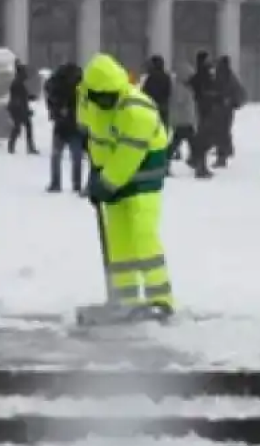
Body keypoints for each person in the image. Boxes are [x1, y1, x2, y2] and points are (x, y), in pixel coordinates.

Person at [79, 54, 173, 317]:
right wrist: (96, 171)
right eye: (100, 96)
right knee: (118, 240)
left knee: (143, 235)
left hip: (144, 177)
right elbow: (98, 140)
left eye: (110, 96)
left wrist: (105, 182)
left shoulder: (137, 110)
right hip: (113, 176)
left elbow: (128, 155)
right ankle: (125, 298)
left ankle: (160, 300)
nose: (105, 102)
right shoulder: (90, 102)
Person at [43, 60, 85, 194]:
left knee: (57, 155)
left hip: (62, 125)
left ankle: (56, 183)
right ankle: (76, 184)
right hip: (75, 125)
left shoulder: (56, 85)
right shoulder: (80, 86)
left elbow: (50, 97)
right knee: (76, 157)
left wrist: (55, 112)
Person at [7, 61, 38, 155]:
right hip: (18, 109)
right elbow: (19, 99)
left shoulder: (18, 82)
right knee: (20, 128)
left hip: (17, 108)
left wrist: (31, 97)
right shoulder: (17, 83)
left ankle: (12, 147)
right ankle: (27, 147)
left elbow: (23, 96)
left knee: (19, 128)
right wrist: (26, 111)